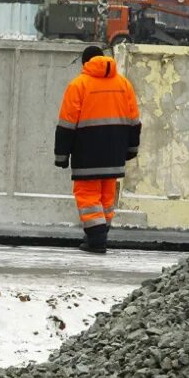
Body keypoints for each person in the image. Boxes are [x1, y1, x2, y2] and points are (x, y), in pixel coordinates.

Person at [54, 45, 141, 253]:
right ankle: (99, 235)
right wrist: (131, 149)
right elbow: (135, 121)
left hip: (87, 153)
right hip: (115, 154)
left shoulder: (79, 85)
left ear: (85, 63)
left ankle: (96, 239)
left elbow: (67, 124)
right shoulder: (124, 85)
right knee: (106, 196)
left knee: (88, 195)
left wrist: (61, 155)